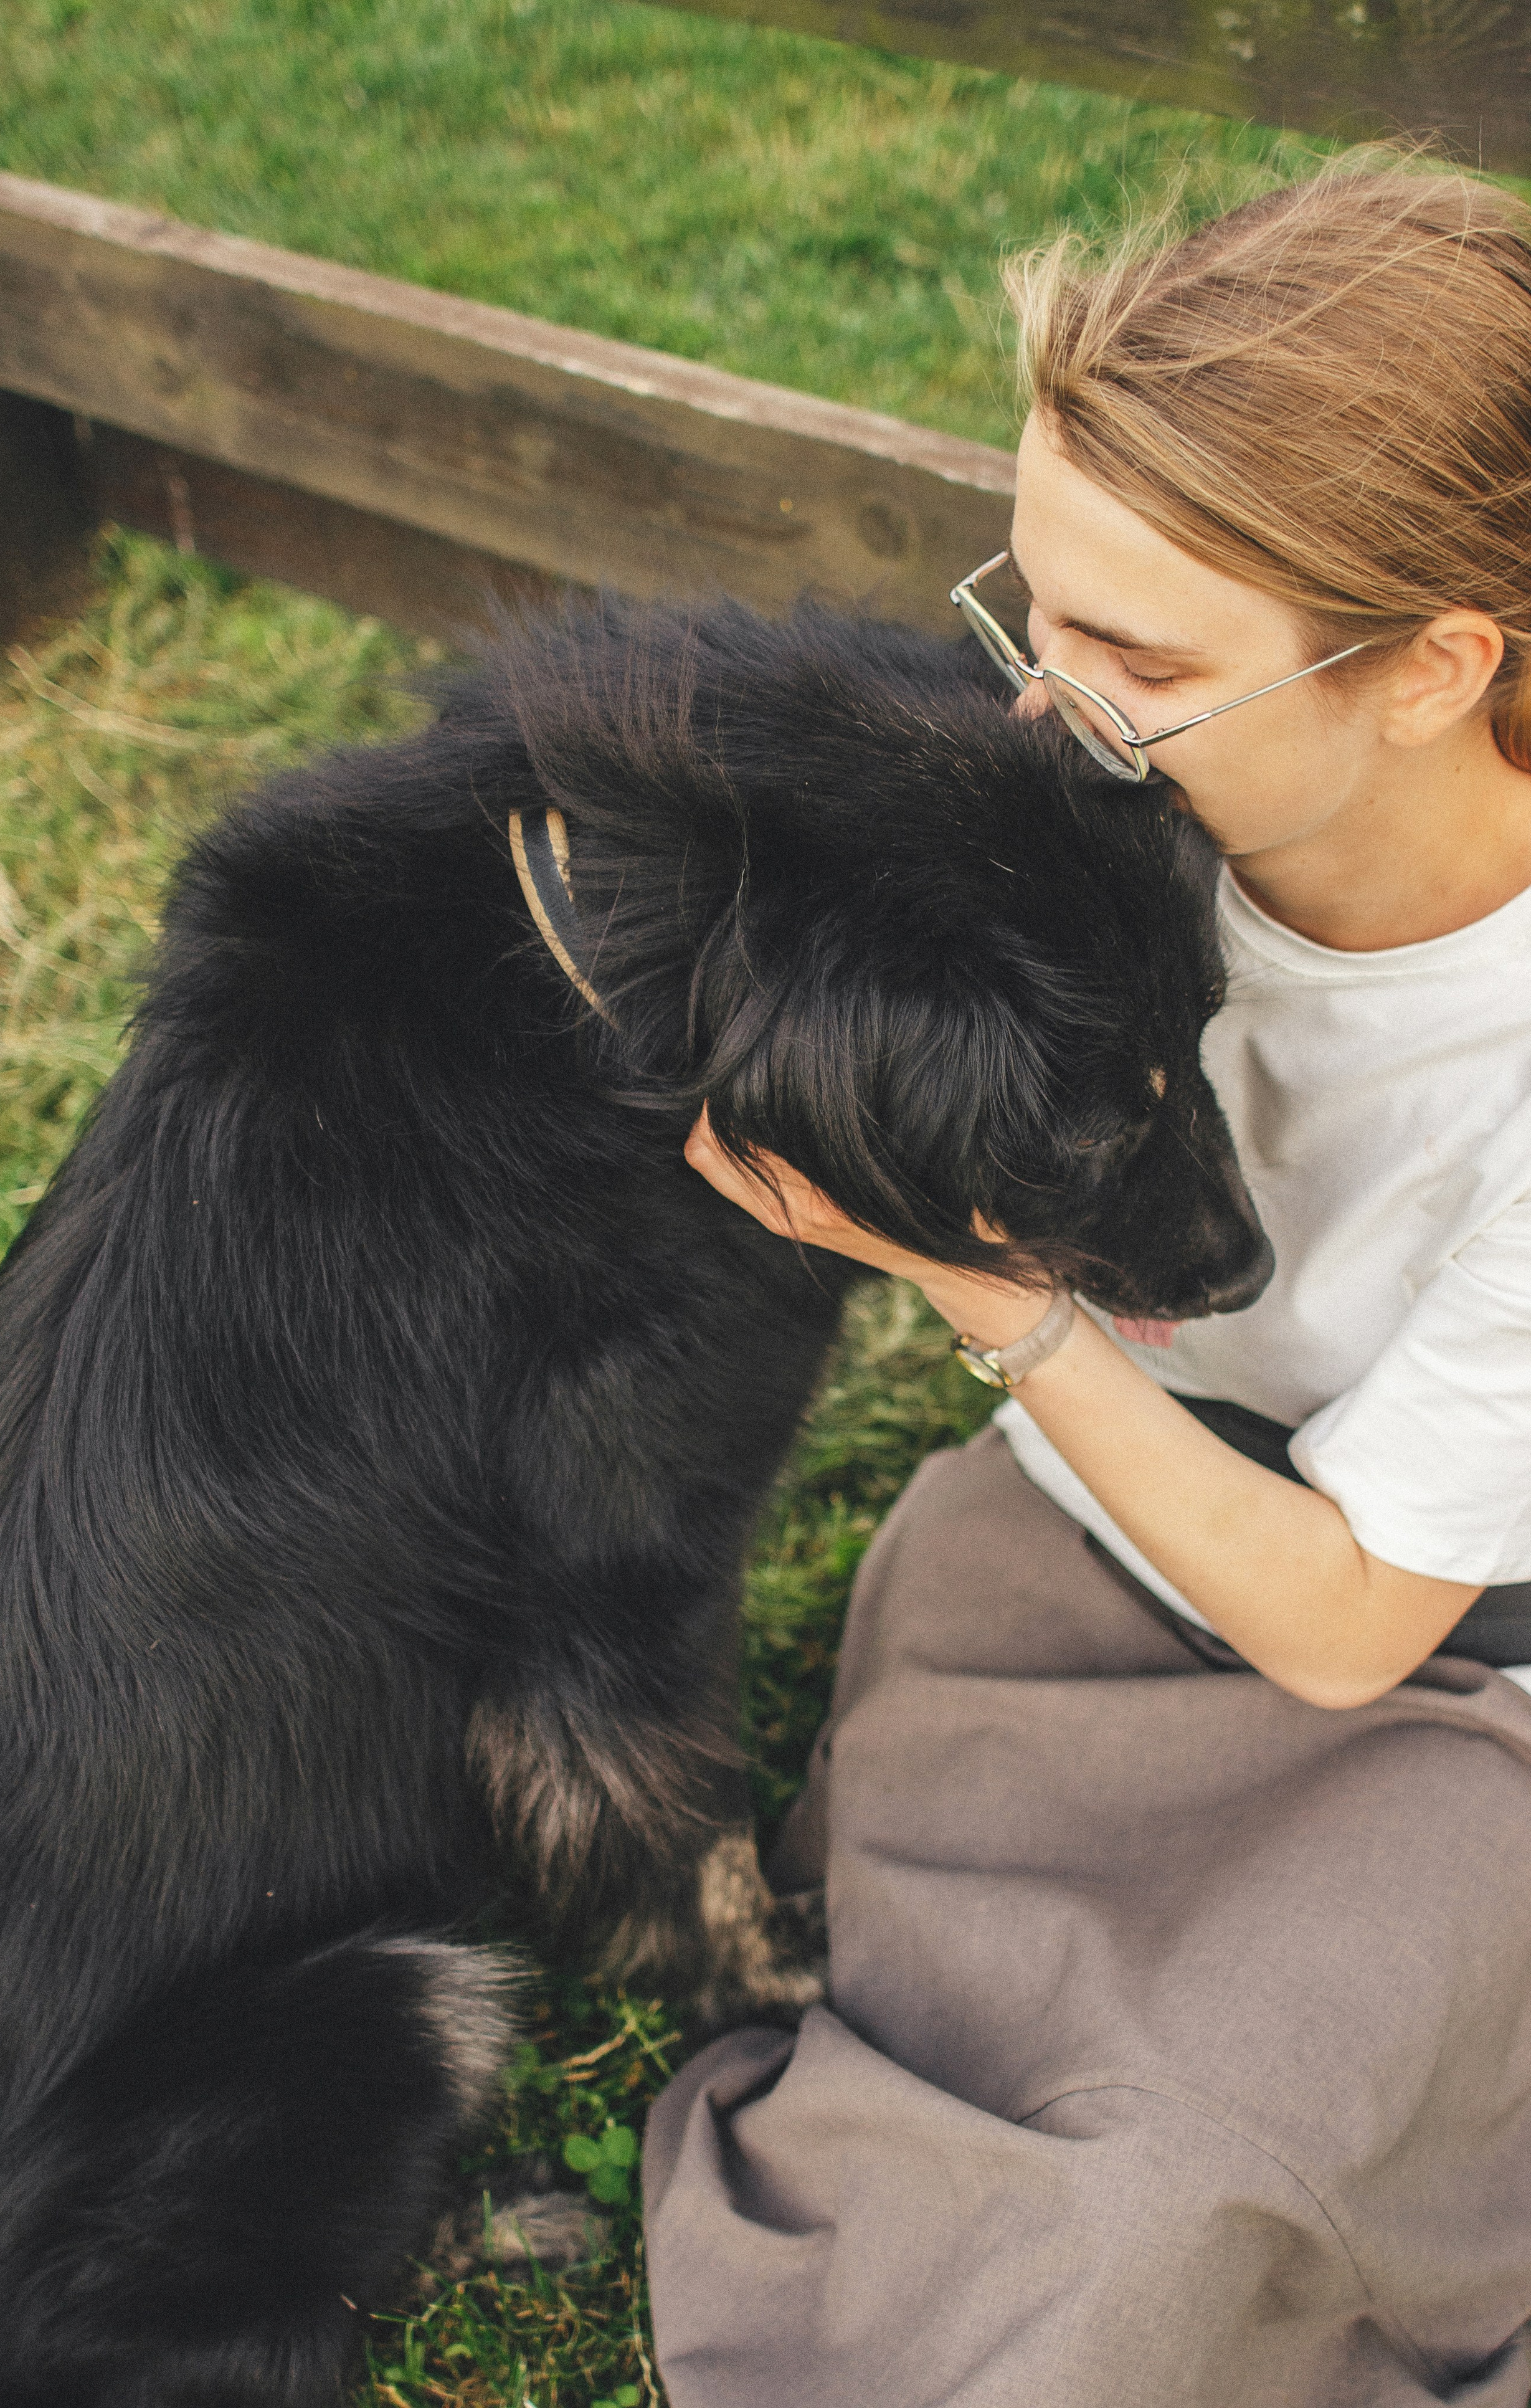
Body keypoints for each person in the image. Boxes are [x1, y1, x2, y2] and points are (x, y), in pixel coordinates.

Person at [641, 161, 1531, 2406]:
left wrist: (981, 1291)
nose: (1048, 705)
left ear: (1437, 665)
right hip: (1093, 1532)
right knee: (954, 1957)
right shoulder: (1119, 797)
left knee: (1161, 2210)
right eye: (1035, 610)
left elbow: (1347, 1621)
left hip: (1448, 1679)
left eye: (1142, 656)